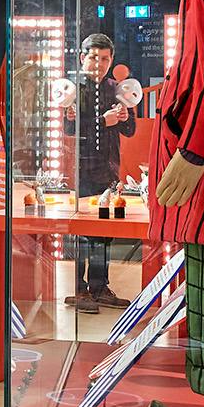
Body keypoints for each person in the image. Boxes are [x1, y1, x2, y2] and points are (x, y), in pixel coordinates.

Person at [63, 33, 137, 313]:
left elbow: (129, 131)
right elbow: (69, 129)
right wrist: (102, 122)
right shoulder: (73, 88)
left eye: (105, 58)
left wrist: (125, 118)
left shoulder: (116, 88)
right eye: (94, 57)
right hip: (82, 169)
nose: (99, 63)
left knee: (104, 233)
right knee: (81, 231)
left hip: (109, 169)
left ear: (111, 60)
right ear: (83, 58)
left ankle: (99, 286)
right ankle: (79, 289)